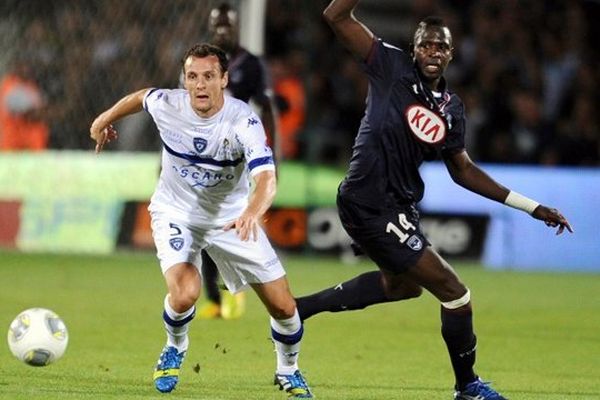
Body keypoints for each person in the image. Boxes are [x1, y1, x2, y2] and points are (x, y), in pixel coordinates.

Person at [295, 1, 573, 400]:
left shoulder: (451, 108)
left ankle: (298, 311)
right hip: (369, 198)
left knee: (403, 286)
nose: (433, 52)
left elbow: (463, 171)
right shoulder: (390, 66)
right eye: (426, 45)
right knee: (454, 292)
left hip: (401, 205)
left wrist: (532, 207)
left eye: (440, 47)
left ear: (450, 54)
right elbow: (336, 16)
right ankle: (468, 387)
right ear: (414, 49)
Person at [89, 43, 313, 398]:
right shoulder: (169, 104)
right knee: (184, 294)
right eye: (192, 77)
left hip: (232, 218)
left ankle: (289, 370)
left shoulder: (244, 120)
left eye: (209, 76)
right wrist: (104, 119)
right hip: (176, 212)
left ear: (224, 80)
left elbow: (267, 180)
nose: (200, 85)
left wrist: (252, 213)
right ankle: (175, 346)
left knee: (285, 306)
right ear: (185, 80)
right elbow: (140, 97)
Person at [191, 2, 278, 320]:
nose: (222, 30)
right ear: (211, 27)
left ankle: (234, 293)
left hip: (238, 158)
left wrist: (273, 155)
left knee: (228, 226)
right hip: (202, 156)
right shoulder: (201, 64)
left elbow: (268, 108)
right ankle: (215, 300)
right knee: (201, 229)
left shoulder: (251, 64)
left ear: (237, 27)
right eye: (218, 25)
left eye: (228, 25)